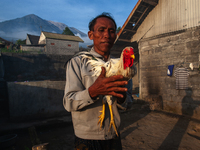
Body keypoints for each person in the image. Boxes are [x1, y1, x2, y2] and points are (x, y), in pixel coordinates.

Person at [63, 12, 133, 150]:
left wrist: (122, 97)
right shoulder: (77, 63)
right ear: (91, 35)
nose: (107, 35)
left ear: (115, 36)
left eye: (111, 31)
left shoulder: (122, 66)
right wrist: (92, 91)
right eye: (101, 30)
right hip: (87, 137)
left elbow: (129, 103)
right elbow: (68, 102)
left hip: (114, 135)